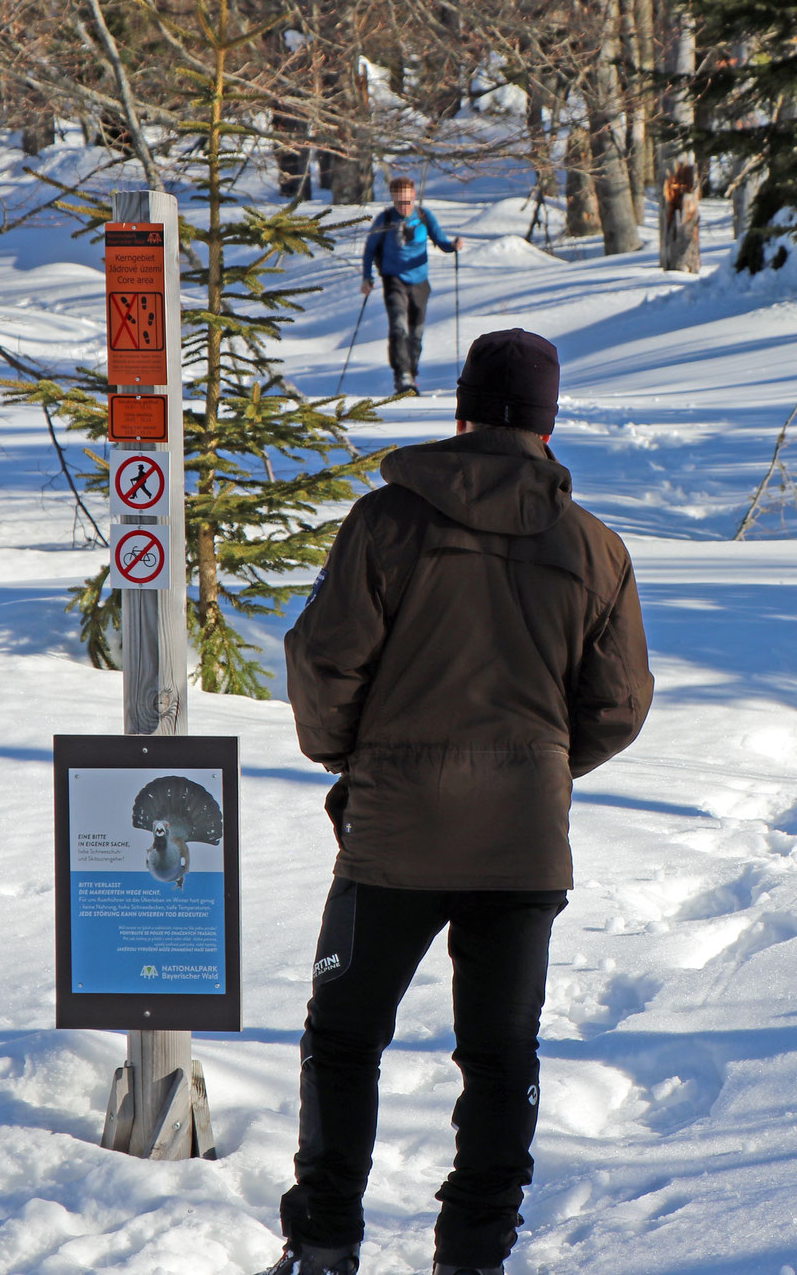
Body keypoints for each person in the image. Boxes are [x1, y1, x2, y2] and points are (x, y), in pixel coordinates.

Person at [266, 328, 654, 1275]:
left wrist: (347, 760)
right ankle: (474, 1257)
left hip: (393, 832)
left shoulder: (386, 523)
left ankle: (323, 1247)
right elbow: (621, 702)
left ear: (461, 410)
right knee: (500, 1052)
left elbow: (324, 663)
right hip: (521, 842)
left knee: (345, 1037)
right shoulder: (597, 550)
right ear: (550, 429)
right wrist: (542, 765)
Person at [362, 176, 460, 396]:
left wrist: (453, 246)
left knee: (416, 332)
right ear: (393, 200)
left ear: (414, 197)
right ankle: (402, 376)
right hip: (393, 279)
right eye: (399, 203)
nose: (404, 207)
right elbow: (369, 250)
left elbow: (441, 242)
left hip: (420, 282)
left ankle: (412, 373)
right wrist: (367, 278)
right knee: (398, 326)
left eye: (407, 202)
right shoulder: (385, 219)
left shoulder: (424, 216)